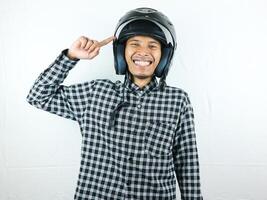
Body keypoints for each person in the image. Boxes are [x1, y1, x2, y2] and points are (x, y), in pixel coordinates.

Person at [26, 7, 203, 200]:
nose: (143, 52)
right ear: (121, 52)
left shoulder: (178, 101)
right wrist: (71, 56)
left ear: (164, 56)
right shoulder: (95, 93)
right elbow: (38, 96)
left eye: (153, 46)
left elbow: (187, 162)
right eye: (134, 44)